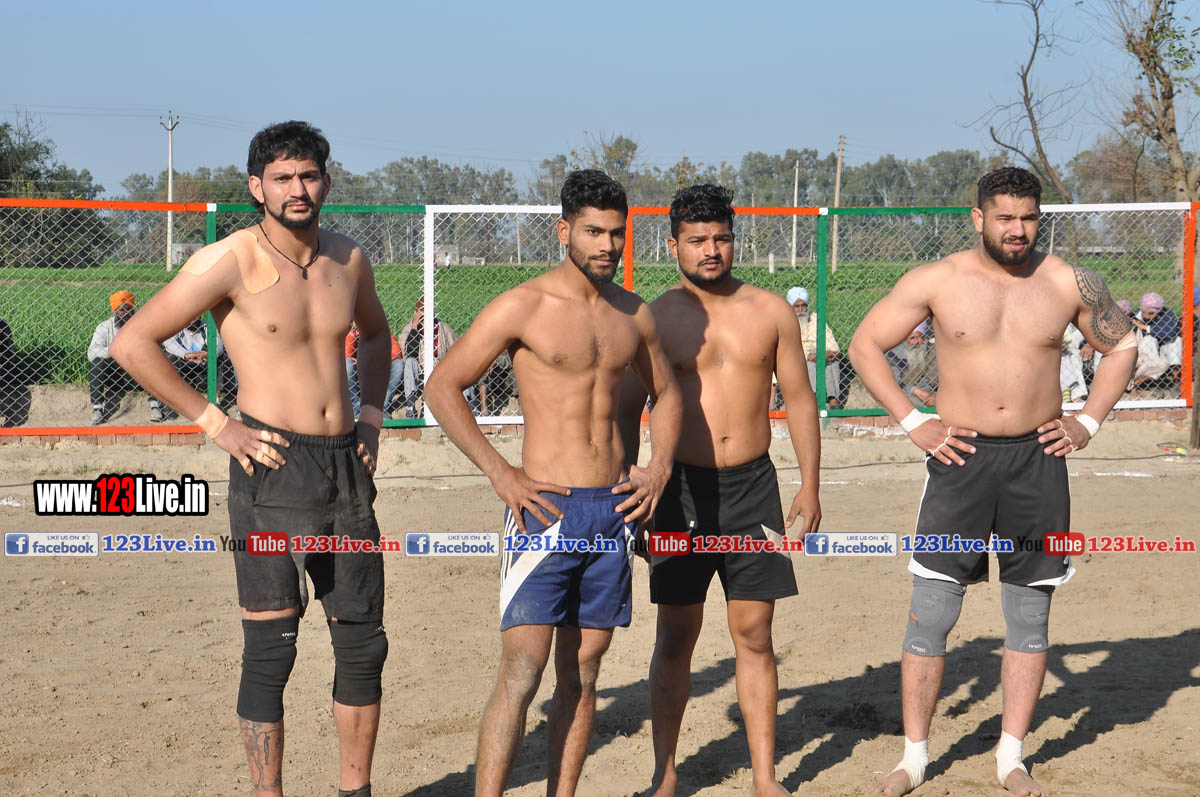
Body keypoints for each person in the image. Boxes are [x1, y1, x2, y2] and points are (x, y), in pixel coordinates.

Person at [111, 120, 391, 797]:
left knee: (362, 644)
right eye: (282, 177)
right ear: (256, 187)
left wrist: (373, 416)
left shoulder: (348, 259)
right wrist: (216, 423)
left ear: (326, 181)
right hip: (270, 468)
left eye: (309, 175)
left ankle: (356, 790)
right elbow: (134, 343)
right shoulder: (231, 259)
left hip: (345, 470)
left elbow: (378, 336)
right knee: (272, 649)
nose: (298, 189)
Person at [848, 166, 1137, 797]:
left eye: (1028, 218)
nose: (1018, 230)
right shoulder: (938, 280)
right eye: (1005, 217)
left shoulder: (1068, 281)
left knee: (1029, 616)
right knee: (932, 614)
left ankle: (1011, 757)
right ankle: (914, 758)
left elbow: (1122, 347)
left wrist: (1088, 420)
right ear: (978, 218)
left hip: (1039, 462)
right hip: (961, 461)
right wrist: (913, 420)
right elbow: (864, 344)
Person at [423, 169, 682, 797]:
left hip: (612, 512)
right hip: (542, 510)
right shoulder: (524, 305)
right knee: (524, 669)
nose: (607, 245)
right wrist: (501, 473)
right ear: (564, 231)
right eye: (593, 231)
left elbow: (668, 394)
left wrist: (658, 468)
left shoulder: (634, 314)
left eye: (616, 233)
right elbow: (442, 386)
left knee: (584, 673)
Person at [619, 185, 822, 797]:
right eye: (697, 240)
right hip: (678, 491)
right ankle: (664, 776)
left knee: (755, 634)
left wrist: (810, 484)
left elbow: (801, 399)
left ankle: (765, 777)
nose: (711, 250)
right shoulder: (654, 318)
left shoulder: (771, 311)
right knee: (676, 636)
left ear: (734, 239)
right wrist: (628, 491)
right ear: (673, 244)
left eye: (721, 238)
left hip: (753, 488)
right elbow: (627, 409)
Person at [87, 290, 166, 424]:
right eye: (121, 310)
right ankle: (97, 409)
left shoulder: (143, 326)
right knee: (97, 362)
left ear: (133, 309)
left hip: (139, 376)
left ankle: (155, 406)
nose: (125, 313)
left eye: (128, 309)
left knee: (153, 361)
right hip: (114, 376)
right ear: (115, 311)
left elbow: (155, 349)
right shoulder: (105, 327)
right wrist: (116, 350)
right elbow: (92, 353)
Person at [397, 296, 468, 416]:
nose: (426, 319)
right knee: (410, 362)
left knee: (462, 364)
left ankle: (469, 406)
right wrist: (415, 328)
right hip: (419, 371)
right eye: (422, 315)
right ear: (415, 313)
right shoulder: (408, 329)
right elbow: (408, 353)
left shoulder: (442, 328)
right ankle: (411, 408)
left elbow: (457, 349)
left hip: (441, 368)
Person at [786, 286, 841, 407]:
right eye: (797, 306)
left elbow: (830, 340)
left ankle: (833, 400)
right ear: (790, 307)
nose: (801, 310)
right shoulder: (787, 321)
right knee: (810, 362)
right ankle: (812, 399)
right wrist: (810, 355)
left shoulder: (816, 318)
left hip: (820, 351)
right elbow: (791, 345)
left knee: (833, 360)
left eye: (804, 305)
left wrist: (833, 352)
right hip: (800, 353)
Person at [345, 320, 405, 418]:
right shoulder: (347, 329)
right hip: (356, 372)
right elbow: (347, 356)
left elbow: (396, 352)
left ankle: (380, 408)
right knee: (347, 364)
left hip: (376, 366)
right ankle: (357, 411)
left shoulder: (378, 326)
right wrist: (352, 333)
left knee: (399, 364)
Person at [886, 320, 938, 406]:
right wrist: (917, 391)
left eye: (920, 337)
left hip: (933, 394)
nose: (916, 342)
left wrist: (937, 395)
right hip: (907, 392)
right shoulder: (895, 354)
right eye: (912, 338)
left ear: (925, 338)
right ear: (906, 339)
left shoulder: (933, 351)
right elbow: (894, 380)